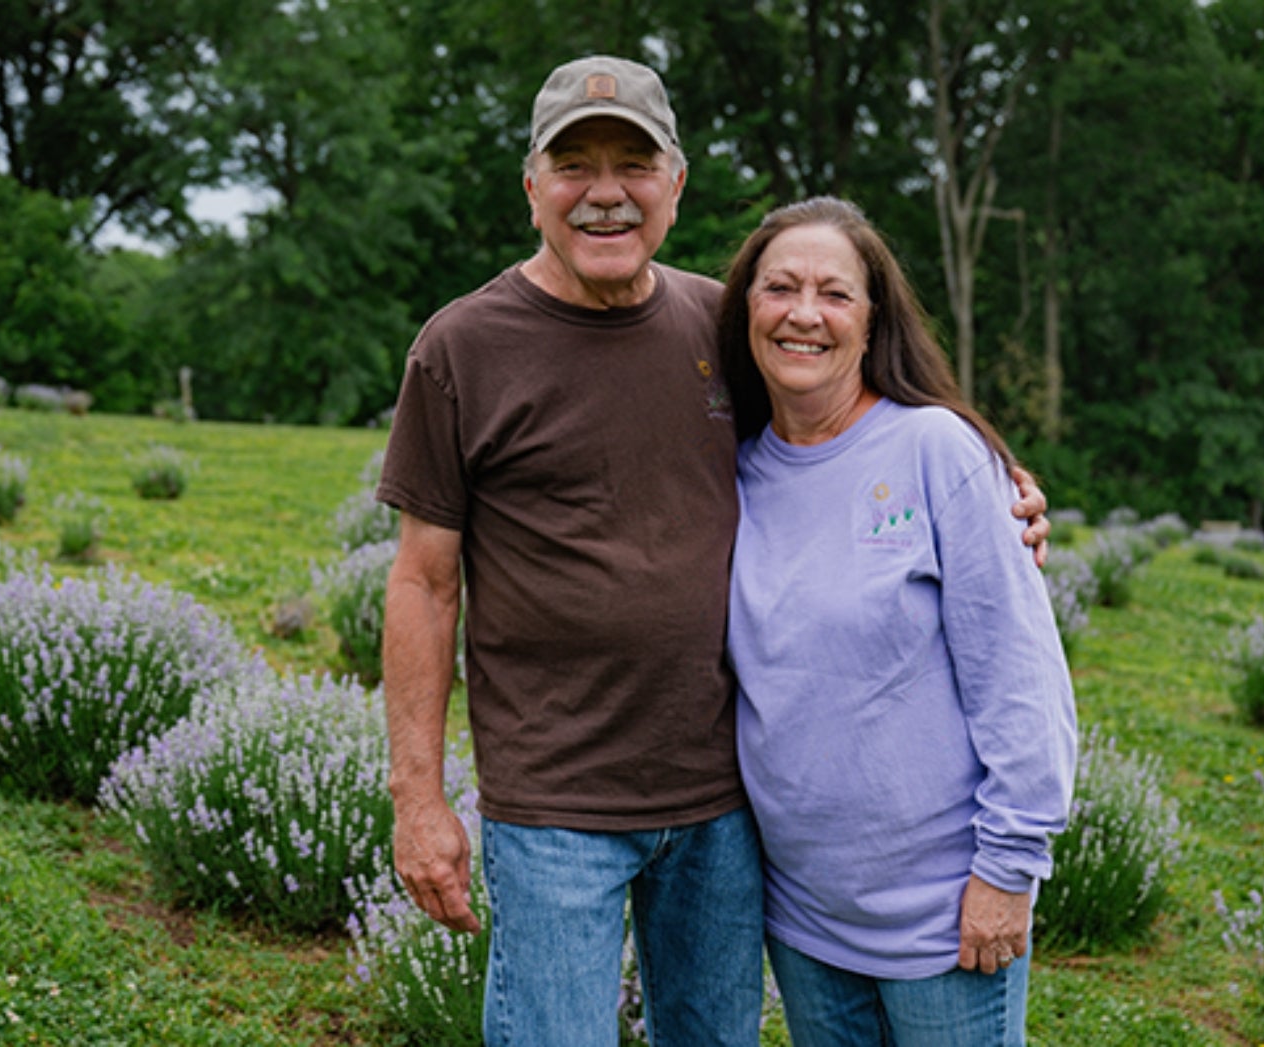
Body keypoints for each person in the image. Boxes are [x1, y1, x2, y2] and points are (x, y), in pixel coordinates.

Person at [377, 57, 1050, 1046]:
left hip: (720, 804)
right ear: (531, 186)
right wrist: (417, 796)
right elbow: (423, 582)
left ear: (674, 185)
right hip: (555, 800)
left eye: (632, 165)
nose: (604, 193)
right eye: (573, 165)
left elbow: (848, 415)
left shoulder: (723, 323)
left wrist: (997, 492)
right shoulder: (461, 347)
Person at [717, 196, 1078, 1047]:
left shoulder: (936, 450)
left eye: (835, 294)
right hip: (805, 918)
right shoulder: (732, 472)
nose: (805, 314)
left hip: (944, 915)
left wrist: (1008, 870)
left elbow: (1021, 679)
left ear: (873, 320)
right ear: (745, 310)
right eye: (780, 288)